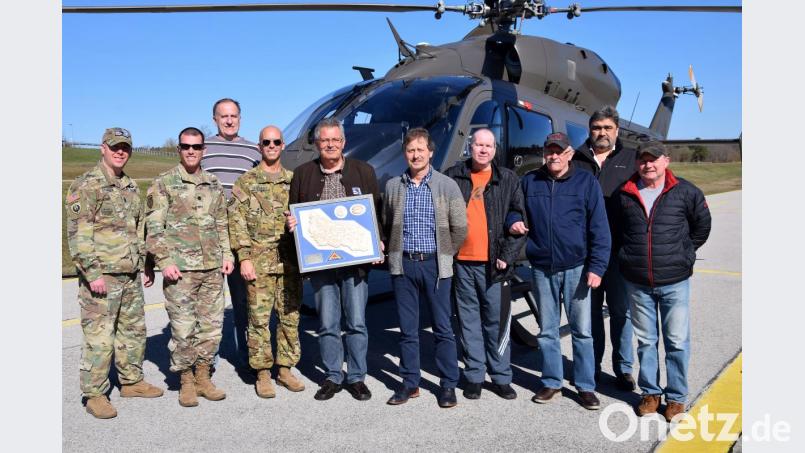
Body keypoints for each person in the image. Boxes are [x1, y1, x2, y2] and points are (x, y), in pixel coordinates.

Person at [66, 127, 164, 419]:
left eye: (125, 148)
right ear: (103, 148)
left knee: (132, 332)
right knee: (100, 337)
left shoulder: (131, 187)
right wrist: (92, 273)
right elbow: (79, 235)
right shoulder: (86, 185)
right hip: (102, 278)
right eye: (115, 147)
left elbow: (138, 230)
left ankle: (131, 381)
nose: (120, 152)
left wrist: (145, 263)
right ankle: (95, 393)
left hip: (130, 275)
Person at [508, 132, 610, 410]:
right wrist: (515, 221)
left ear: (569, 154)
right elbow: (514, 209)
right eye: (549, 151)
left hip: (577, 268)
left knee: (582, 331)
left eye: (559, 151)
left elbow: (599, 228)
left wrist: (597, 266)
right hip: (542, 268)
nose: (553, 156)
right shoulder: (530, 181)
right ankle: (552, 381)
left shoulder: (585, 182)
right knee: (548, 330)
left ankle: (585, 386)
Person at [611, 141, 711, 422]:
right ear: (636, 163)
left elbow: (702, 225)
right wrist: (626, 256)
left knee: (677, 341)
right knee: (646, 341)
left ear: (666, 161)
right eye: (642, 160)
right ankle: (651, 393)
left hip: (674, 280)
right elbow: (617, 231)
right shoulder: (625, 194)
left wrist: (684, 253)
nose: (648, 164)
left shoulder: (686, 191)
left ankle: (676, 397)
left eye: (653, 159)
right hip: (638, 280)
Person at [285, 118, 382, 402]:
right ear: (317, 144)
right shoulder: (303, 174)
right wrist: (292, 224)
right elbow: (294, 211)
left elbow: (374, 212)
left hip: (355, 262)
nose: (330, 145)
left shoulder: (364, 171)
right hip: (321, 263)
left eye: (335, 140)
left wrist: (377, 240)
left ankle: (356, 377)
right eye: (324, 140)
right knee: (327, 323)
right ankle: (332, 376)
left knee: (356, 322)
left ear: (343, 142)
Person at [145, 127, 234, 407]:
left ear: (204, 149)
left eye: (196, 146)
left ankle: (203, 376)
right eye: (185, 146)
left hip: (211, 268)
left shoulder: (213, 183)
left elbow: (222, 222)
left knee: (211, 327)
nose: (191, 151)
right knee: (183, 329)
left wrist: (227, 254)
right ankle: (185, 379)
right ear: (179, 149)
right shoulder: (164, 183)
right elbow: (154, 226)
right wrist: (164, 261)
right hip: (180, 270)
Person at [382, 128, 467, 408]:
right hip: (404, 265)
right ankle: (410, 383)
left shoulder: (446, 185)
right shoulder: (394, 186)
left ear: (430, 152)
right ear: (405, 154)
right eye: (410, 150)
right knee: (408, 330)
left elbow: (460, 227)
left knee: (443, 328)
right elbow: (387, 222)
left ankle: (448, 385)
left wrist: (445, 254)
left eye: (420, 149)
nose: (415, 154)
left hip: (435, 266)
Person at [443, 128, 526, 400]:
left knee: (497, 322)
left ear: (494, 149)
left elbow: (518, 220)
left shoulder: (508, 180)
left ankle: (501, 376)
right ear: (470, 146)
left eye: (488, 146)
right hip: (462, 264)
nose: (483, 150)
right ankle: (474, 376)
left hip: (495, 265)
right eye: (479, 144)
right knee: (468, 323)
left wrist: (508, 256)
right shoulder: (453, 176)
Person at [228, 125, 305, 398]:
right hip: (258, 262)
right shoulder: (246, 182)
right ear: (260, 147)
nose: (271, 146)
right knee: (259, 320)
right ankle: (262, 373)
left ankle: (285, 369)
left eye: (276, 141)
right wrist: (244, 258)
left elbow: (306, 220)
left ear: (283, 145)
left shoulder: (294, 181)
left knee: (290, 317)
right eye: (266, 142)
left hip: (290, 263)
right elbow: (236, 223)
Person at [572, 105, 638, 390]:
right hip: (586, 252)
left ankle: (623, 368)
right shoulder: (575, 158)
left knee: (621, 312)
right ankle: (593, 366)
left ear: (617, 131)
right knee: (591, 314)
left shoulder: (631, 159)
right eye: (597, 128)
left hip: (619, 253)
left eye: (607, 128)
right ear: (590, 130)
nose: (602, 133)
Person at [202, 98, 261, 370]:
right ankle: (206, 361)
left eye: (233, 115)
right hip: (209, 239)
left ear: (240, 118)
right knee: (209, 307)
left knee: (243, 302)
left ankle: (246, 357)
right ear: (214, 119)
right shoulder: (203, 149)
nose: (229, 120)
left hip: (240, 239)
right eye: (223, 116)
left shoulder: (252, 151)